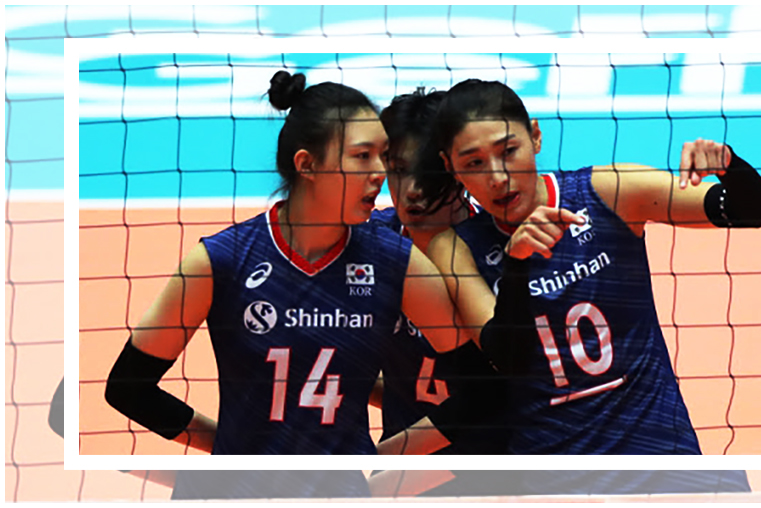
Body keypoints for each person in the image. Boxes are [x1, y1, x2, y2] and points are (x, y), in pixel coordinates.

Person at [103, 71, 562, 498]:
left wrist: (373, 461)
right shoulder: (225, 258)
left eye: (385, 158)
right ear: (307, 165)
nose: (385, 177)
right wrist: (229, 447)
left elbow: (488, 390)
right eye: (368, 158)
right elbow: (128, 387)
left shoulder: (405, 261)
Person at [420, 79, 761, 492]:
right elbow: (507, 357)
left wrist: (729, 165)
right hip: (556, 481)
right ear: (450, 166)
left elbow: (754, 209)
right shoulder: (455, 248)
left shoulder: (609, 192)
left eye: (508, 151)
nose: (497, 177)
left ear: (535, 136)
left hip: (663, 462)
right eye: (474, 163)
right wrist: (516, 263)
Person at [367, 88, 522, 497]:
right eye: (398, 170)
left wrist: (372, 461)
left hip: (495, 467)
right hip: (407, 471)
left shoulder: (503, 250)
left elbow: (494, 397)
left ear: (453, 168)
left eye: (427, 172)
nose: (412, 189)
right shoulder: (370, 245)